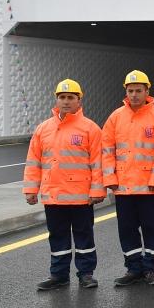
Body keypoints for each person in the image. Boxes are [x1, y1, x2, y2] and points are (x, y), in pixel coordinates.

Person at [23, 79, 105, 290]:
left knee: (84, 236)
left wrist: (97, 190)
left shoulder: (90, 129)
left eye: (70, 97)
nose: (66, 101)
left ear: (79, 100)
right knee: (57, 237)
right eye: (62, 97)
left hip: (81, 197)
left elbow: (98, 163)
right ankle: (58, 275)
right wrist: (31, 189)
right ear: (56, 99)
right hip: (54, 196)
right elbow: (34, 162)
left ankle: (86, 274)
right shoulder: (43, 129)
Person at [102, 70, 154, 287]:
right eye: (130, 91)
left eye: (138, 90)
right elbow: (107, 150)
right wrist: (110, 179)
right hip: (123, 188)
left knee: (151, 227)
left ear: (147, 91)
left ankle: (151, 269)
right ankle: (133, 268)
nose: (134, 95)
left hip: (149, 188)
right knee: (127, 229)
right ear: (126, 91)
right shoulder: (115, 117)